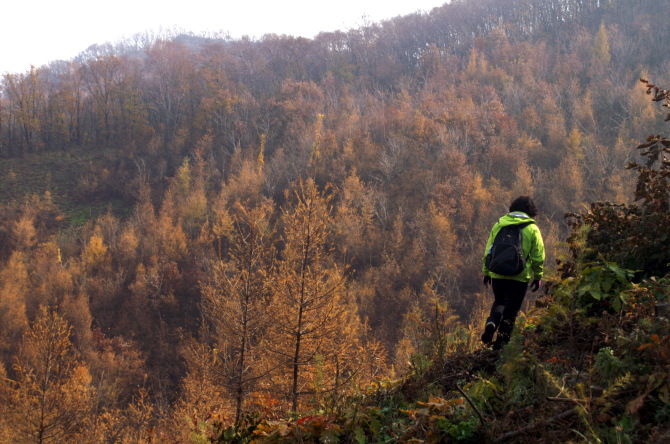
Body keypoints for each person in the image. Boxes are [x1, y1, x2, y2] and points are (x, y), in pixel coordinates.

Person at [481, 196, 545, 350]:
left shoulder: (499, 224)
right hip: (519, 276)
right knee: (511, 311)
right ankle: (500, 348)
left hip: (497, 273)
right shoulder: (532, 228)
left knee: (499, 302)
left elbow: (488, 250)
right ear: (531, 212)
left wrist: (486, 272)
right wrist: (538, 276)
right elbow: (538, 256)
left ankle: (492, 322)